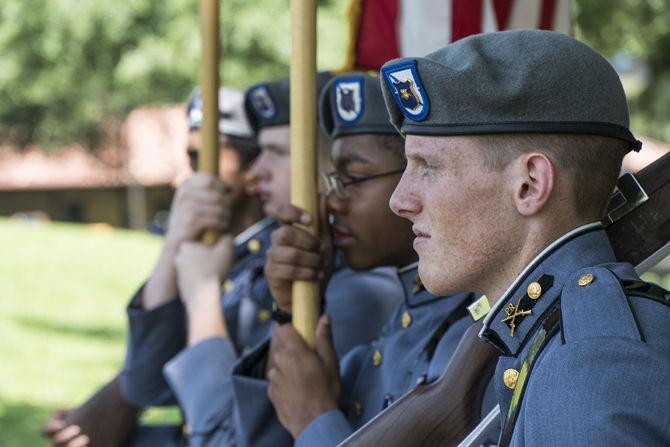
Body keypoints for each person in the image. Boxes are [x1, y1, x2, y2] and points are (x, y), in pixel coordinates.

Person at [380, 29, 670, 445]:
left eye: (429, 166)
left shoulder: (588, 371)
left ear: (530, 185)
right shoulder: (559, 344)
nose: (400, 200)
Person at [229, 73, 483, 447]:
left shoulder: (469, 337)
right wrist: (295, 308)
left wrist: (314, 419)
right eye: (334, 181)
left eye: (354, 178)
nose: (332, 201)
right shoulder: (404, 321)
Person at [155, 74, 403, 446]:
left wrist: (203, 297)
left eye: (279, 152)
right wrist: (174, 241)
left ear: (321, 173)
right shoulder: (275, 264)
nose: (256, 172)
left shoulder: (361, 292)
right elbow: (146, 384)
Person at [41, 86, 268, 447]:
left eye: (200, 159)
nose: (184, 178)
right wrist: (174, 243)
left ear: (252, 167)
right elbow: (143, 384)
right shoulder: (213, 253)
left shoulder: (273, 264)